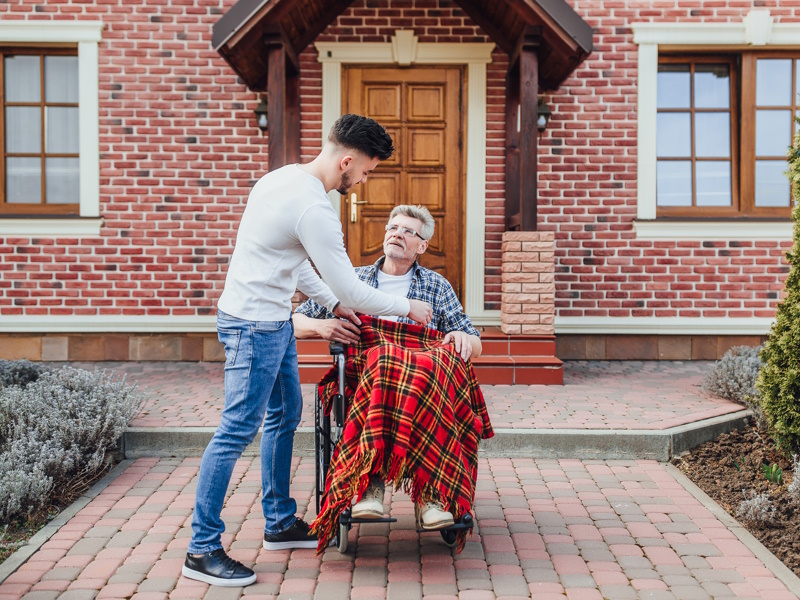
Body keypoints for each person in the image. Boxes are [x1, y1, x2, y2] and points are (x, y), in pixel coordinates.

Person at [182, 115, 434, 588]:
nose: (363, 181)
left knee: (285, 414)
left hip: (271, 320)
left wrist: (334, 304)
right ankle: (202, 548)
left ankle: (279, 522)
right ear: (346, 161)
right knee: (236, 430)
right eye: (367, 171)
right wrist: (407, 306)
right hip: (253, 326)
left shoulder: (279, 179)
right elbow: (354, 290)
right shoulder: (315, 210)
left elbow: (294, 266)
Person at [293, 204, 481, 530]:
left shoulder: (436, 286)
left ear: (422, 246)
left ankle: (432, 496)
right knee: (383, 359)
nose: (397, 234)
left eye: (408, 231)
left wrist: (461, 338)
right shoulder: (351, 279)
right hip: (368, 376)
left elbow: (474, 341)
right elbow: (294, 321)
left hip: (423, 383)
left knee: (431, 362)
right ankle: (371, 485)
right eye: (393, 228)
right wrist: (323, 328)